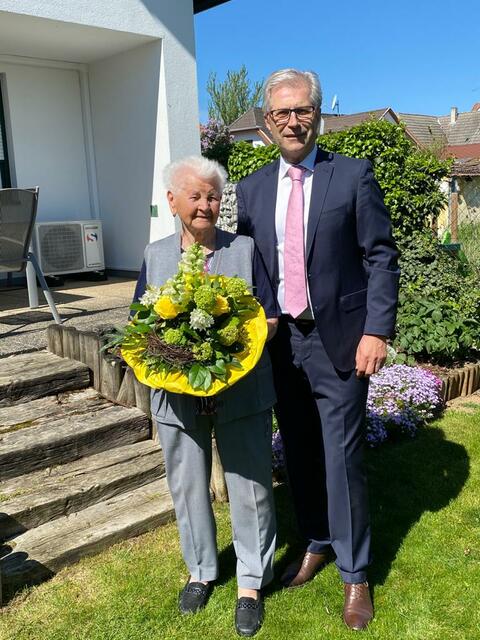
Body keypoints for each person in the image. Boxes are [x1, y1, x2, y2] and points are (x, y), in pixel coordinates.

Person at [236, 69, 400, 631]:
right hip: (280, 345)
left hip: (342, 340)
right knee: (300, 449)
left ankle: (356, 574)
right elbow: (247, 266)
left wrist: (376, 331)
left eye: (301, 110)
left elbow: (380, 255)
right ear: (265, 122)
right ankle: (317, 540)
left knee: (343, 456)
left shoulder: (351, 176)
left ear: (317, 114)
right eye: (281, 113)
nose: (292, 120)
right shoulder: (251, 190)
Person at [133, 156, 278, 637]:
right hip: (175, 395)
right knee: (188, 486)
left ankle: (251, 583)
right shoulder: (155, 256)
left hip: (242, 389)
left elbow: (271, 316)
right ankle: (200, 571)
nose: (205, 205)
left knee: (251, 487)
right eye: (194, 196)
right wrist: (170, 356)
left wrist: (236, 344)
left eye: (213, 197)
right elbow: (139, 328)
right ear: (172, 201)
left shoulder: (246, 249)